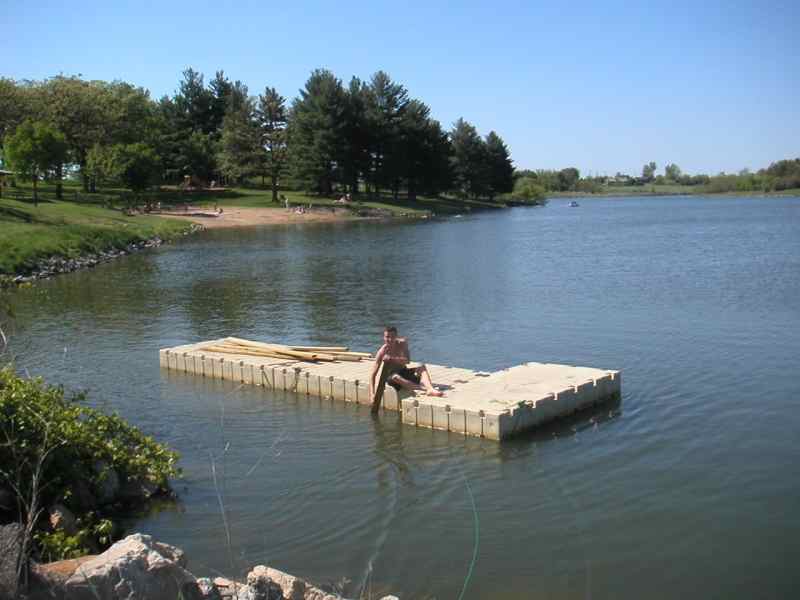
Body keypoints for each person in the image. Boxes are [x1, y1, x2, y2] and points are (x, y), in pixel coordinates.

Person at [369, 326, 443, 400]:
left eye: (392, 337)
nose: (390, 339)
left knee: (422, 367)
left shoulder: (402, 344)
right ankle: (425, 389)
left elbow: (407, 361)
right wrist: (372, 394)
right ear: (384, 337)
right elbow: (373, 375)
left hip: (403, 371)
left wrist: (392, 359)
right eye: (387, 337)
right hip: (392, 378)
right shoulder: (382, 352)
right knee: (395, 377)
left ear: (396, 336)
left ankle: (430, 388)